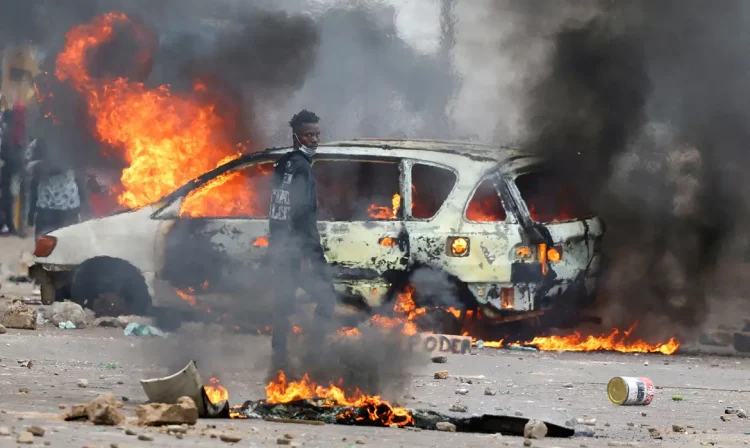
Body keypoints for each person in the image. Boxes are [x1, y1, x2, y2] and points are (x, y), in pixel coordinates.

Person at [267, 110, 336, 373]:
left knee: (283, 302)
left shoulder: (283, 164)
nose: (315, 140)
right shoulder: (303, 168)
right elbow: (304, 215)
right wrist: (314, 256)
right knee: (327, 299)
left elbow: (275, 207)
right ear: (296, 136)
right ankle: (314, 356)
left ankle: (280, 356)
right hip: (299, 250)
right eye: (309, 135)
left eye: (317, 135)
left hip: (281, 248)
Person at [26, 138, 87, 239]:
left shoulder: (74, 140)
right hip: (47, 207)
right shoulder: (39, 141)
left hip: (68, 207)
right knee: (45, 249)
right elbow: (28, 166)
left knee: (68, 247)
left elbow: (78, 168)